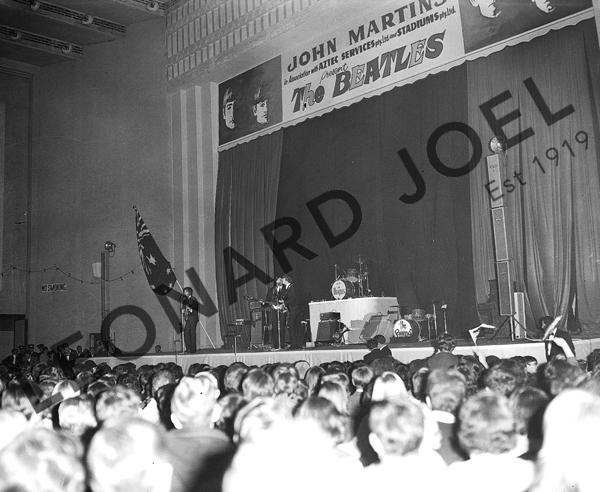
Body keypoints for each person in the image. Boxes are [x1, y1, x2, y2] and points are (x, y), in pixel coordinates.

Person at [281, 275, 303, 350]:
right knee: (295, 326)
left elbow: (293, 298)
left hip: (294, 310)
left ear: (286, 280)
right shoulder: (289, 287)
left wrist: (285, 303)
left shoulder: (291, 287)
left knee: (291, 326)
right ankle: (297, 344)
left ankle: (294, 344)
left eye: (283, 279)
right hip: (293, 309)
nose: (282, 280)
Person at [265, 277, 286, 349]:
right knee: (274, 327)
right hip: (274, 311)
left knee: (282, 327)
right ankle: (276, 345)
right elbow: (267, 300)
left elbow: (288, 299)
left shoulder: (285, 289)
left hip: (282, 310)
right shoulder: (272, 290)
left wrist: (282, 305)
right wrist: (265, 303)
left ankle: (282, 344)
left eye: (280, 280)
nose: (279, 282)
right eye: (277, 281)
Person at [182, 287, 199, 353]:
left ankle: (193, 349)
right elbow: (184, 308)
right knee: (186, 332)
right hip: (188, 318)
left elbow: (195, 309)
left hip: (193, 318)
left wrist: (189, 309)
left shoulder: (193, 299)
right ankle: (188, 348)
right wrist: (183, 311)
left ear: (189, 292)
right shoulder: (185, 300)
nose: (184, 293)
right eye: (184, 292)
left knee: (192, 333)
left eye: (185, 292)